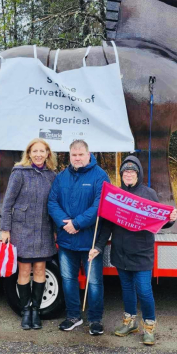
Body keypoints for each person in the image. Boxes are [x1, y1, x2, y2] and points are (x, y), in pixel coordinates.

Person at [88, 155, 177, 345]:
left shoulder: (149, 194)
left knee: (144, 291)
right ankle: (130, 322)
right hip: (121, 254)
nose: (128, 174)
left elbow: (159, 222)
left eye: (132, 171)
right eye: (125, 171)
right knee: (127, 290)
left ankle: (149, 327)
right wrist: (97, 246)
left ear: (139, 174)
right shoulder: (115, 195)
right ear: (121, 175)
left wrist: (170, 219)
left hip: (142, 253)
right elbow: (106, 226)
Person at [48, 140, 110, 335]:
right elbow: (52, 202)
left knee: (94, 282)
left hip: (90, 241)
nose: (77, 158)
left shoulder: (100, 176)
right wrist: (65, 222)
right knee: (68, 280)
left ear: (88, 154)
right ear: (70, 155)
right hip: (67, 241)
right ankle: (73, 316)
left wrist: (77, 223)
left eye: (80, 154)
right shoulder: (61, 177)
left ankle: (95, 320)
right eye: (74, 155)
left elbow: (99, 206)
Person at [1, 138, 57, 330]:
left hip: (44, 230)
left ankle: (36, 310)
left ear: (48, 154)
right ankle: (25, 311)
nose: (39, 154)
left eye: (42, 151)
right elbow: (7, 203)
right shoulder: (19, 173)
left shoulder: (52, 175)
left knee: (40, 270)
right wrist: (5, 229)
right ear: (29, 153)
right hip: (22, 230)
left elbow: (55, 204)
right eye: (35, 151)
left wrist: (57, 230)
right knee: (24, 271)